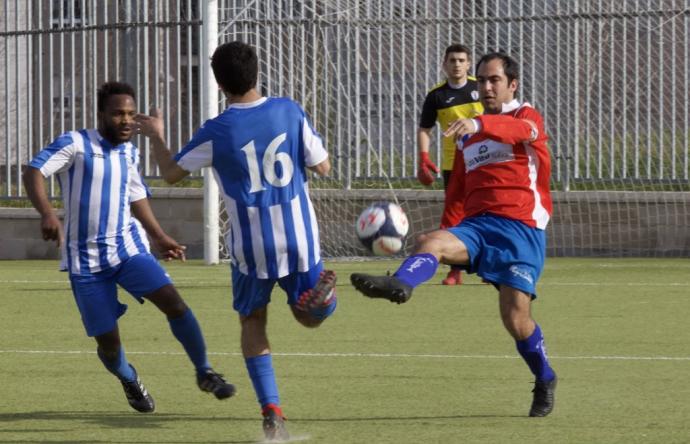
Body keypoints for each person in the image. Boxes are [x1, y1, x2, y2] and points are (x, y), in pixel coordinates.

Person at [136, 41, 337, 441]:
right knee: (309, 316)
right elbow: (324, 166)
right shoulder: (289, 110)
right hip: (300, 238)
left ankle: (272, 410)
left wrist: (157, 135)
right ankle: (322, 301)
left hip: (251, 247)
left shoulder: (217, 130)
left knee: (252, 319)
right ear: (257, 72)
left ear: (218, 82)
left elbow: (171, 173)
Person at [351, 52, 557, 417]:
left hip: (521, 230)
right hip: (477, 228)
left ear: (512, 84)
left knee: (516, 319)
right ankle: (399, 285)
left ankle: (545, 377)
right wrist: (444, 215)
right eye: (482, 80)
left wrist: (477, 126)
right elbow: (458, 194)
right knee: (429, 242)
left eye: (494, 80)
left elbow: (522, 133)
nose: (486, 86)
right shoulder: (466, 137)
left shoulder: (526, 116)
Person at [22, 81, 236, 414]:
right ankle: (128, 377)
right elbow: (34, 170)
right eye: (118, 114)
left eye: (130, 114)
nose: (126, 120)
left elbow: (136, 197)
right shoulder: (76, 144)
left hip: (127, 250)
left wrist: (160, 236)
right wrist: (48, 213)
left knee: (175, 304)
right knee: (109, 345)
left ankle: (204, 371)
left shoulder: (130, 152)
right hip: (86, 263)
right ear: (101, 115)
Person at [417, 44, 483, 285]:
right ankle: (454, 270)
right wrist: (424, 157)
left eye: (461, 60)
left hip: (483, 161)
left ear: (468, 64)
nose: (457, 64)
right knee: (453, 216)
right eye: (452, 60)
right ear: (444, 64)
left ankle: (488, 267)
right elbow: (425, 129)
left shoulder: (481, 88)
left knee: (485, 212)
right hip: (452, 164)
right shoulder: (437, 95)